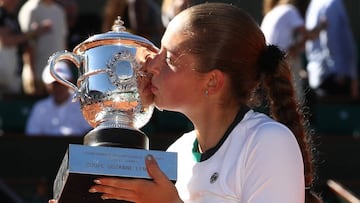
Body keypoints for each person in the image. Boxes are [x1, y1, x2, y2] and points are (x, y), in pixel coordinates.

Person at [50, 2, 322, 203]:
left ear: (212, 82)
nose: (150, 65)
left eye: (167, 58)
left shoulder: (268, 141)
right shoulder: (177, 151)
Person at [260, 0, 326, 101]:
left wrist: (297, 46)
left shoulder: (273, 12)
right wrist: (322, 26)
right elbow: (310, 35)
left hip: (268, 65)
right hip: (280, 62)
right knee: (296, 99)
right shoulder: (290, 11)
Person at [305, 0, 358, 99]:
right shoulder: (333, 3)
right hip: (334, 75)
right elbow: (333, 40)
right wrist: (341, 73)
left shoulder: (315, 3)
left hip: (319, 73)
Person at [25, 61, 92, 136]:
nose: (59, 88)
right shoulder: (40, 107)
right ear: (47, 86)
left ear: (70, 82)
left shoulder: (83, 105)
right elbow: (32, 135)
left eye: (62, 83)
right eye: (55, 84)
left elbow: (90, 133)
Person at [18, 0, 67, 96]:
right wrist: (32, 74)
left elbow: (63, 41)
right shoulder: (31, 8)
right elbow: (27, 44)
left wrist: (66, 70)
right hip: (37, 75)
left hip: (59, 76)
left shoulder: (59, 11)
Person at [0, 0, 48, 95]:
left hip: (15, 73)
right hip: (3, 72)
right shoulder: (1, 14)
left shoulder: (12, 16)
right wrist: (34, 32)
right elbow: (5, 41)